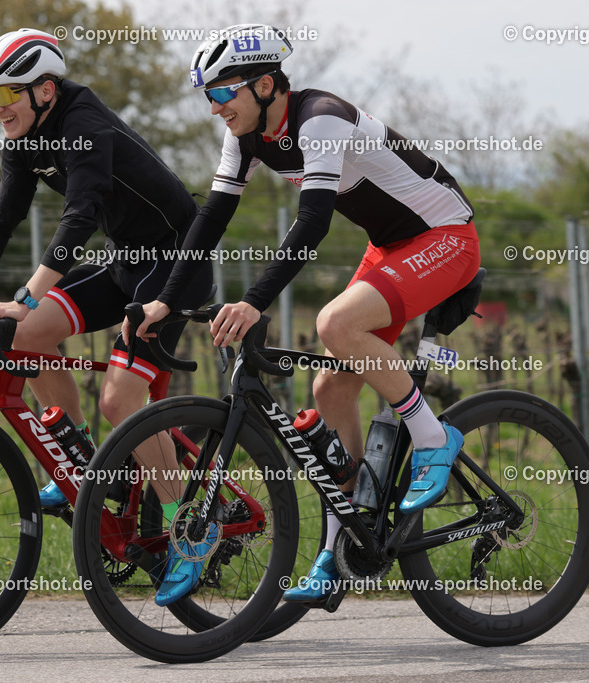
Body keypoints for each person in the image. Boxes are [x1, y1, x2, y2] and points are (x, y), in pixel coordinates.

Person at [133, 24, 481, 606]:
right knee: (328, 389)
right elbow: (211, 217)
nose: (215, 107)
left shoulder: (319, 117)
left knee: (335, 325)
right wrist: (166, 298)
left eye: (223, 93)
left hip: (445, 236)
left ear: (265, 84)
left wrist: (253, 301)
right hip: (391, 246)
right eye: (208, 96)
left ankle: (431, 436)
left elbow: (313, 220)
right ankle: (344, 544)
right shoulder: (245, 134)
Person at [0, 28, 212, 520]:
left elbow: (80, 215)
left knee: (119, 403)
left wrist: (28, 295)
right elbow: (0, 219)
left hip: (173, 269)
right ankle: (79, 461)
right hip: (127, 260)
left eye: (4, 94)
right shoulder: (23, 136)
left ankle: (185, 524)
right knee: (24, 333)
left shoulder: (84, 123)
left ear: (44, 90)